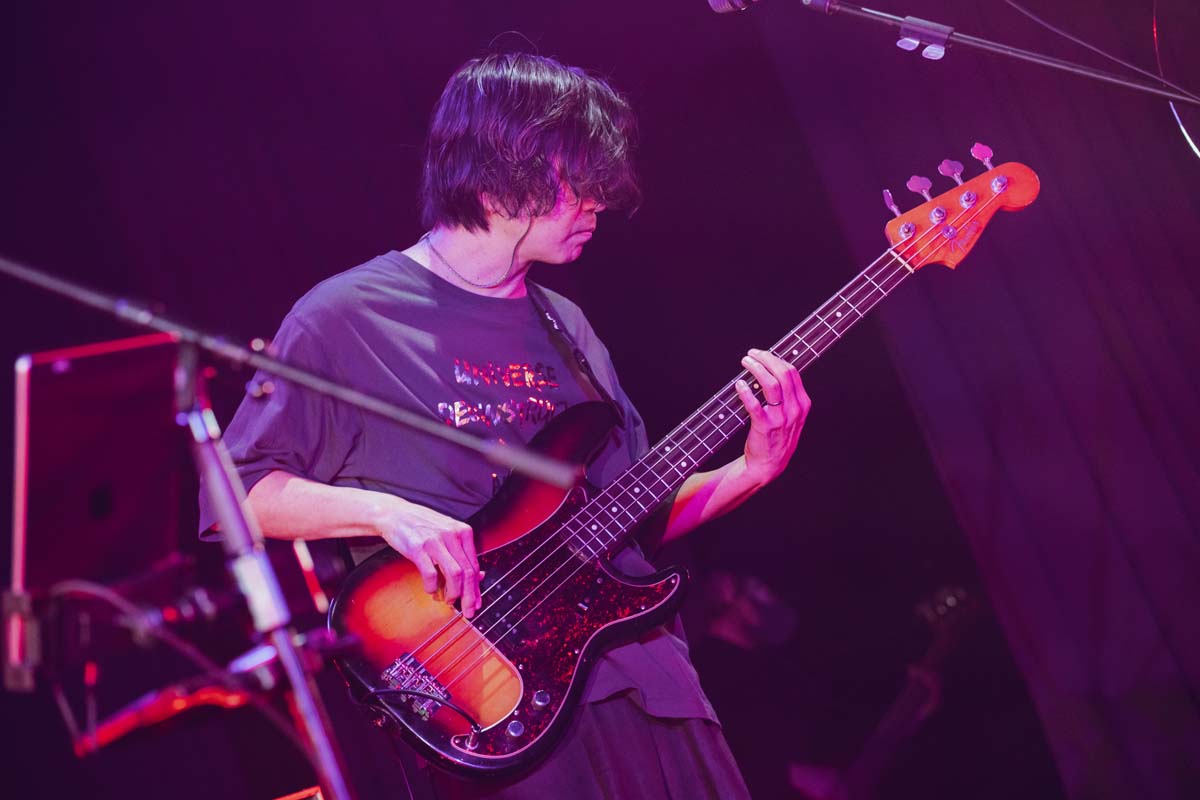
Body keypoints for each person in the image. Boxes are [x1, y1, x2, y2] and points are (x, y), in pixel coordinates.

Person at [204, 52, 811, 799]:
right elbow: (235, 495)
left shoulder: (568, 326)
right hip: (495, 702)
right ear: (503, 169)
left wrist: (752, 470)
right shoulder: (345, 317)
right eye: (580, 179)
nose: (599, 202)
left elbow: (631, 519)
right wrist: (387, 514)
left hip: (651, 687)